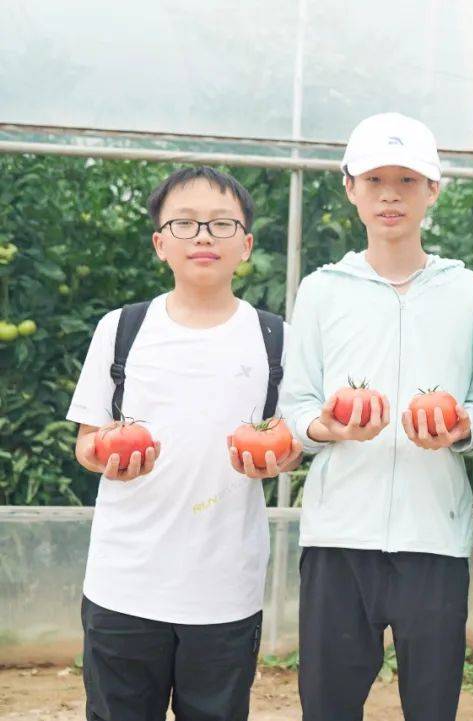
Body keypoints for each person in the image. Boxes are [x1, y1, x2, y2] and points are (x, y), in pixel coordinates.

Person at [280, 112, 473, 720]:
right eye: (375, 180)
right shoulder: (323, 290)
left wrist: (461, 429)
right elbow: (295, 408)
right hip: (338, 536)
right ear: (350, 187)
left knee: (432, 705)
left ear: (433, 190)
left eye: (407, 180)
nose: (390, 195)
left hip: (435, 537)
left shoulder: (470, 293)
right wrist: (327, 427)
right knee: (328, 705)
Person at [68, 166, 301, 720]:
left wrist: (274, 460)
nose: (202, 236)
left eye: (221, 224)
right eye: (185, 223)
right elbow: (87, 440)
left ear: (245, 245)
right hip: (124, 582)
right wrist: (106, 459)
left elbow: (290, 442)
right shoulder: (121, 329)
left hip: (225, 589)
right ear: (160, 244)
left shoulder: (274, 337)